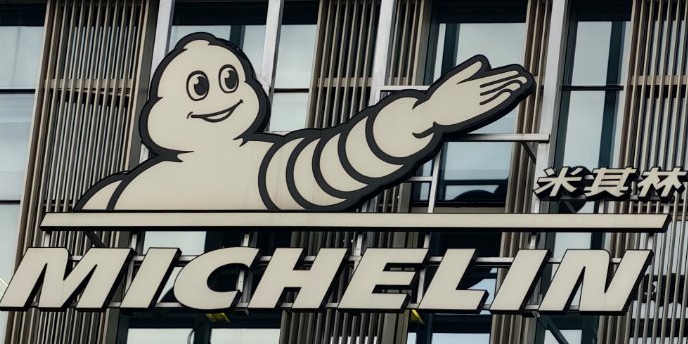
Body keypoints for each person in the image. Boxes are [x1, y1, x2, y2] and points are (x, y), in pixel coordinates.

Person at [77, 32, 534, 212]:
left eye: (229, 80)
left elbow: (336, 162)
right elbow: (82, 227)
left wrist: (423, 115)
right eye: (199, 87)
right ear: (162, 109)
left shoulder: (262, 165)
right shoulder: (122, 191)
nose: (220, 97)